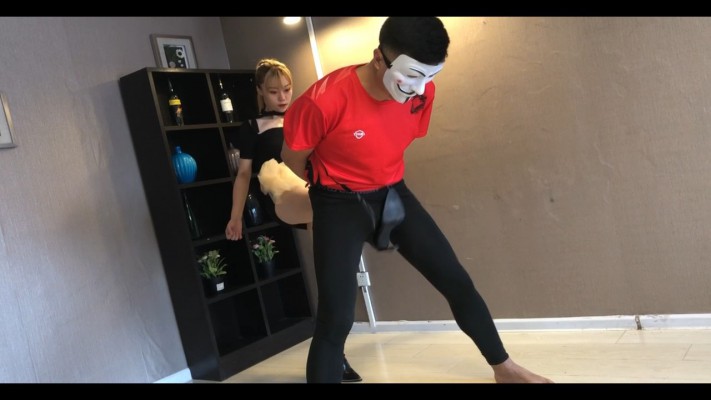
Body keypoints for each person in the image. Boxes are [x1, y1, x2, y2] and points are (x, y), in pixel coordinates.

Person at [282, 17, 554, 383]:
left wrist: (376, 179)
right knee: (336, 318)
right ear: (379, 58)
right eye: (411, 76)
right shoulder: (323, 101)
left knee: (456, 280)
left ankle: (504, 369)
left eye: (430, 76)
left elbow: (388, 141)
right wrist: (331, 187)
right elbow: (293, 157)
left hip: (393, 193)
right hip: (337, 203)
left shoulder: (422, 93)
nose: (419, 88)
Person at [224, 58, 362, 383]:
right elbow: (243, 175)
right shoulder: (253, 127)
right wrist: (235, 216)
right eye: (274, 92)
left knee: (332, 271)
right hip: (281, 195)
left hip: (315, 191)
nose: (282, 97)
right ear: (260, 91)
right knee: (338, 213)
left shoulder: (302, 115)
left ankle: (335, 353)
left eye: (287, 89)